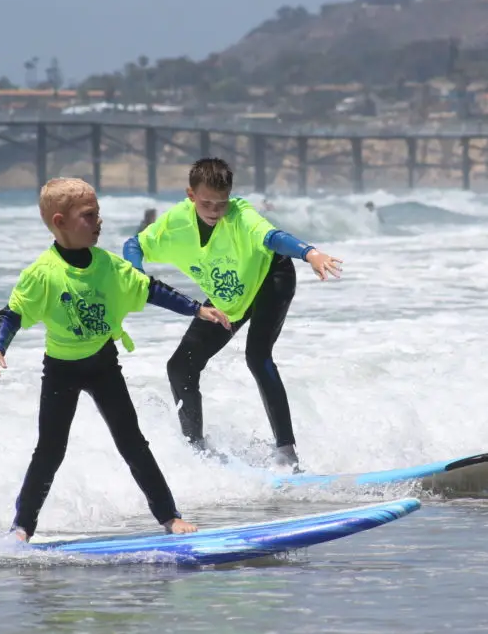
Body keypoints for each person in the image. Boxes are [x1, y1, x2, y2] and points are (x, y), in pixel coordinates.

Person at [0, 177, 232, 542]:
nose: (99, 222)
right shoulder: (43, 274)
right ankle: (22, 527)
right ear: (60, 221)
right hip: (61, 370)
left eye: (99, 214)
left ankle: (169, 516)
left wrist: (196, 309)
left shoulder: (109, 266)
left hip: (102, 364)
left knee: (132, 442)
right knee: (50, 451)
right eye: (89, 215)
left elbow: (150, 288)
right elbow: (12, 314)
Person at [122, 158, 343, 472]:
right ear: (190, 195)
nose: (214, 210)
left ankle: (287, 453)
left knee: (257, 355)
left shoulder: (241, 215)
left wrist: (310, 253)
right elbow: (135, 243)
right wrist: (134, 270)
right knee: (180, 366)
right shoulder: (176, 222)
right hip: (231, 292)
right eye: (206, 203)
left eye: (221, 203)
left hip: (271, 278)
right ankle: (196, 449)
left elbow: (273, 237)